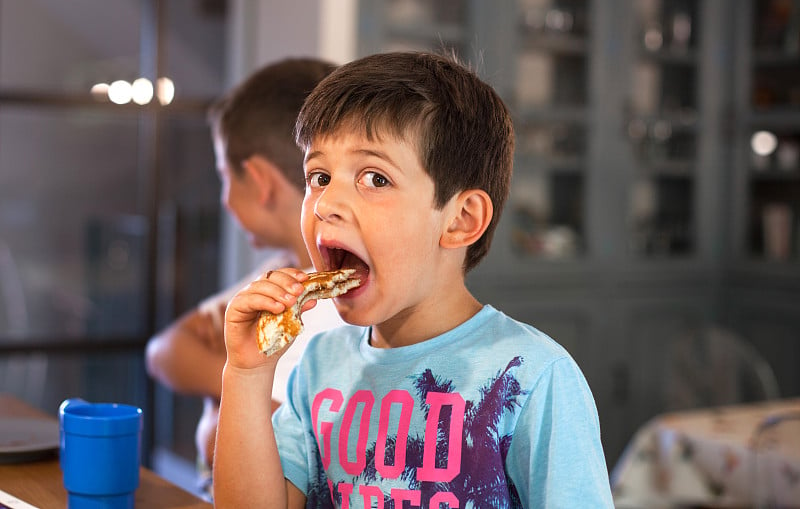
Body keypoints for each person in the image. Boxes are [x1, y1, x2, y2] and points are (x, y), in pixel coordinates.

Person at [213, 51, 614, 508]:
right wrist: (246, 373)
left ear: (461, 220)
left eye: (375, 178)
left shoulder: (532, 376)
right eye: (319, 176)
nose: (326, 203)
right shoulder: (318, 366)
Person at [144, 57, 340, 475]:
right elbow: (167, 350)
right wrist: (247, 386)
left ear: (261, 181)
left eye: (223, 176)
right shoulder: (275, 275)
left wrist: (231, 403)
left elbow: (219, 443)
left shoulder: (351, 308)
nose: (224, 199)